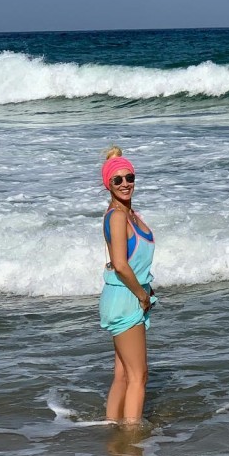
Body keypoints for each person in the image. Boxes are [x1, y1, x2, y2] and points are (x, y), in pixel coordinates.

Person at [99, 146, 156, 424]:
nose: (125, 184)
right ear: (107, 184)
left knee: (123, 374)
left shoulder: (130, 214)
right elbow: (120, 264)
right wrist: (142, 295)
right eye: (117, 180)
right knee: (139, 376)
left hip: (125, 296)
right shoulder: (118, 216)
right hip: (126, 299)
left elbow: (135, 263)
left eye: (129, 177)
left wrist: (146, 289)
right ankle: (132, 441)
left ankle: (113, 429)